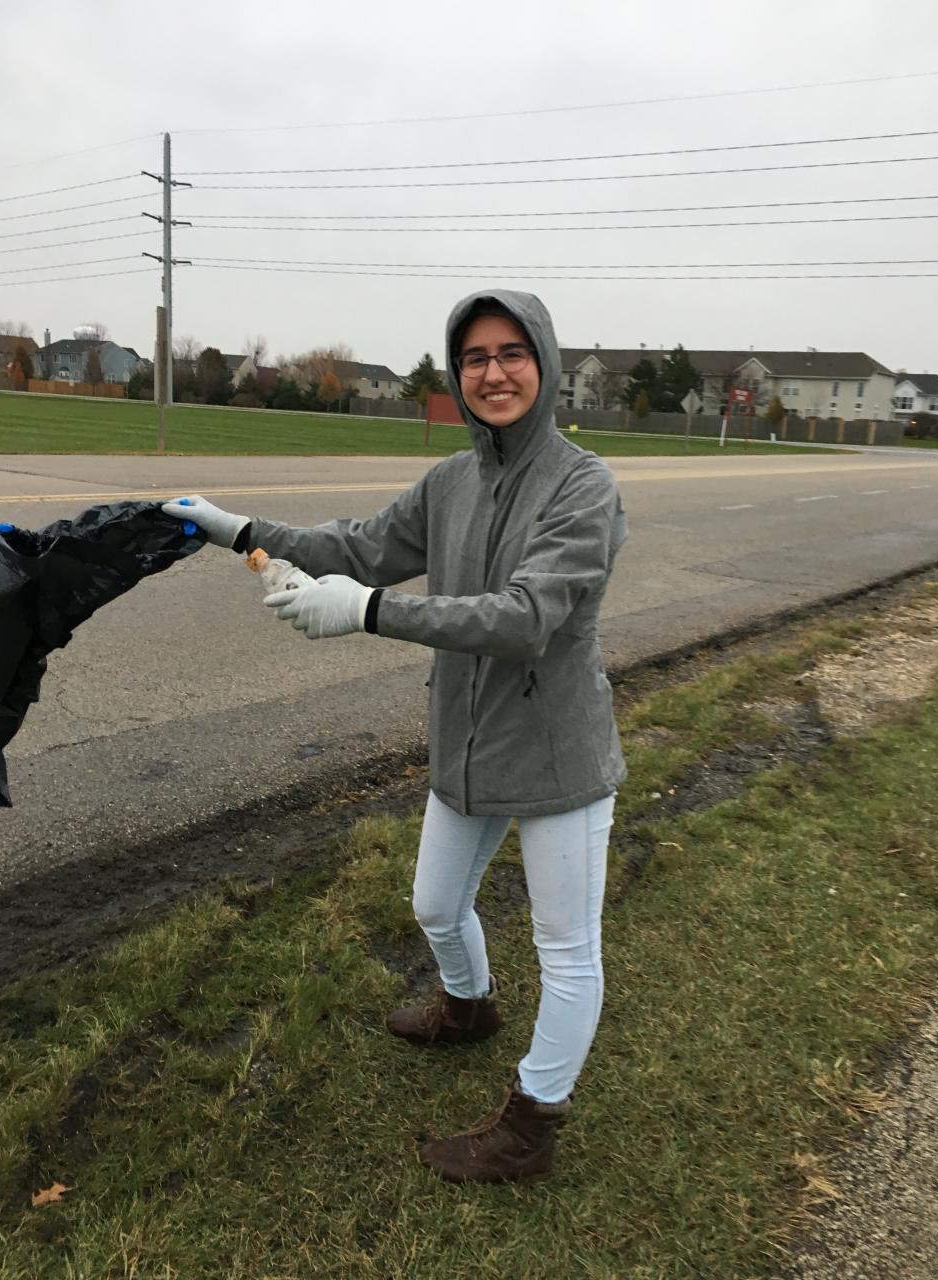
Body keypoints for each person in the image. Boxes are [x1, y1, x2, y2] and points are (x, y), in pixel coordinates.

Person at [162, 289, 627, 1183]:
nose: (493, 373)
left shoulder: (583, 485)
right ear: (458, 373)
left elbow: (525, 618)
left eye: (512, 353)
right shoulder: (452, 481)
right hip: (467, 741)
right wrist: (237, 529)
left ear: (544, 362)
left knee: (568, 953)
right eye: (475, 358)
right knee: (435, 905)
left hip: (558, 752)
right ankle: (469, 1008)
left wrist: (369, 613)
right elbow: (360, 547)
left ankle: (532, 1125)